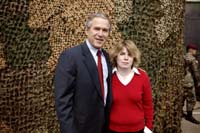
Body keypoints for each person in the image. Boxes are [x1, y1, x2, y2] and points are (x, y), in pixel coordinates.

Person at [54, 13, 113, 133]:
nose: (100, 34)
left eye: (105, 30)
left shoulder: (106, 57)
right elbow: (63, 100)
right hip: (80, 128)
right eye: (96, 29)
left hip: (103, 126)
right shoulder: (71, 56)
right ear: (87, 30)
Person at [108, 40, 154, 133]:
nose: (126, 58)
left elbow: (148, 105)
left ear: (134, 58)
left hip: (138, 129)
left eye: (129, 54)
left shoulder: (142, 77)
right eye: (122, 54)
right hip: (112, 129)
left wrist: (148, 128)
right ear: (116, 56)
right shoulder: (108, 77)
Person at [182, 43, 200, 124]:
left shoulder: (182, 57)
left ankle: (180, 113)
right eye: (195, 50)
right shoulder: (192, 59)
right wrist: (198, 81)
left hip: (181, 81)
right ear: (191, 50)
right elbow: (195, 72)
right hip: (189, 82)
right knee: (192, 99)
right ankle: (189, 116)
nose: (196, 51)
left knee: (181, 98)